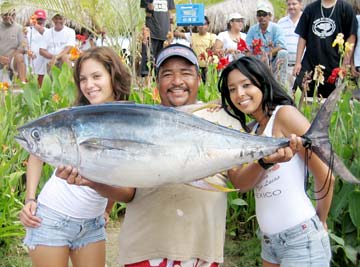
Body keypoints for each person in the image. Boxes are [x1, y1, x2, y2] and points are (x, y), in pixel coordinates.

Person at [55, 44, 301, 267]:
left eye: (185, 72)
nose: (177, 81)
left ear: (198, 78)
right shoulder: (139, 120)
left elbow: (241, 182)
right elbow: (128, 193)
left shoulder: (223, 118)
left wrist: (264, 160)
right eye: (167, 74)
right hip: (144, 248)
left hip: (201, 250)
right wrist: (91, 181)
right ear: (157, 81)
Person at [19, 46, 133, 267]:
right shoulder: (73, 119)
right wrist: (30, 199)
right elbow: (36, 153)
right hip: (51, 218)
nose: (89, 85)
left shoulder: (129, 120)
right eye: (83, 79)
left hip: (92, 224)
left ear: (113, 76)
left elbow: (118, 175)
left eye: (96, 76)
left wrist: (107, 210)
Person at [218, 56, 335, 267]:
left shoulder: (284, 116)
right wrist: (263, 163)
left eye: (246, 85)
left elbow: (325, 174)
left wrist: (321, 219)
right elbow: (242, 184)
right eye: (232, 89)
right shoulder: (251, 132)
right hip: (269, 242)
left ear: (262, 82)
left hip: (301, 238)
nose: (239, 94)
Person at [293, 0, 357, 98]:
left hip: (334, 66)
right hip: (310, 64)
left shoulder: (345, 9)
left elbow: (351, 37)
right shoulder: (310, 9)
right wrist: (298, 62)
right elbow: (302, 37)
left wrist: (344, 64)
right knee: (298, 96)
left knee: (331, 103)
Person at [246, 3, 289, 87]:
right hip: (257, 61)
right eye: (259, 15)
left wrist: (267, 55)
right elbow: (247, 48)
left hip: (273, 62)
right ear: (257, 17)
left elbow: (281, 45)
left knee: (283, 53)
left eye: (264, 14)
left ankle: (281, 85)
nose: (262, 17)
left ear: (269, 16)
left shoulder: (276, 28)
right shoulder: (252, 29)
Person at [174, 16, 217, 82]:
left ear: (208, 25)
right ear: (196, 26)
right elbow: (176, 33)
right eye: (199, 24)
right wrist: (182, 24)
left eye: (204, 24)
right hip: (196, 68)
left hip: (209, 68)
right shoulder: (192, 36)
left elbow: (216, 50)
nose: (202, 26)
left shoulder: (212, 36)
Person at [139, 0, 175, 77]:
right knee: (148, 60)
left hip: (165, 34)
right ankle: (148, 85)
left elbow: (170, 14)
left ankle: (159, 81)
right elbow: (145, 14)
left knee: (163, 61)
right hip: (152, 32)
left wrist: (171, 32)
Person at [277, 0, 303, 92]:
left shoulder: (306, 19)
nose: (291, 6)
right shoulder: (281, 22)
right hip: (285, 67)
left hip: (301, 67)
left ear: (300, 4)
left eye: (294, 4)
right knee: (285, 93)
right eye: (289, 4)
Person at [0, 9, 27, 83]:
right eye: (6, 15)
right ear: (1, 15)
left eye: (11, 14)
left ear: (14, 15)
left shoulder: (19, 28)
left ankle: (23, 84)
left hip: (12, 60)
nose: (8, 17)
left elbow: (22, 47)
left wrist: (9, 59)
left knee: (20, 57)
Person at [25, 9, 49, 86]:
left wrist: (35, 25)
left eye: (42, 19)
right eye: (38, 19)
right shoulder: (27, 30)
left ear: (45, 20)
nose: (40, 21)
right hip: (30, 66)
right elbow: (22, 43)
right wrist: (27, 51)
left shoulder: (48, 31)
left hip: (42, 68)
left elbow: (42, 31)